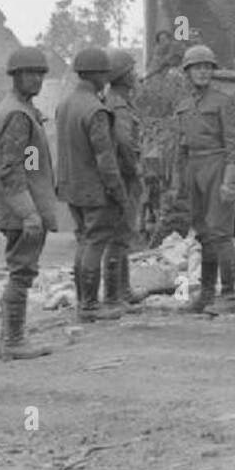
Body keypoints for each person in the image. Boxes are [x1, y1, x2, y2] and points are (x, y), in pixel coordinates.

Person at [0, 46, 58, 360]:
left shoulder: (17, 109)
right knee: (22, 271)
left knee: (20, 270)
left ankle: (10, 339)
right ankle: (13, 342)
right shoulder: (17, 114)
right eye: (30, 74)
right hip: (22, 207)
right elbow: (12, 169)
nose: (37, 79)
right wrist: (29, 213)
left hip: (19, 204)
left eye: (40, 73)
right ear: (16, 76)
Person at [55, 47, 129, 322]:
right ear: (96, 75)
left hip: (71, 187)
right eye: (105, 74)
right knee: (95, 243)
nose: (107, 79)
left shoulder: (64, 105)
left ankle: (83, 304)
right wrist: (120, 194)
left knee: (84, 242)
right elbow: (106, 160)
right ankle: (89, 306)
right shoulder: (96, 110)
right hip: (94, 190)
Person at [174, 44, 235, 315]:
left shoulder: (225, 102)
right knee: (203, 234)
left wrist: (229, 181)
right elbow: (180, 147)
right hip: (194, 169)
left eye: (207, 67)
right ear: (188, 72)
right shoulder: (183, 105)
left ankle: (228, 295)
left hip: (217, 166)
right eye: (197, 67)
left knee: (221, 234)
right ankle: (206, 294)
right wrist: (179, 184)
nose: (203, 72)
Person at [101, 50, 146, 306]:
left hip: (120, 174)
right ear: (124, 75)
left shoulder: (117, 100)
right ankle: (114, 296)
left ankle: (123, 291)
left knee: (123, 235)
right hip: (123, 176)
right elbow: (123, 140)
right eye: (132, 71)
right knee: (119, 236)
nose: (136, 75)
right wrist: (134, 168)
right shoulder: (118, 104)